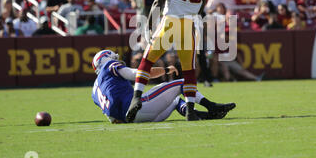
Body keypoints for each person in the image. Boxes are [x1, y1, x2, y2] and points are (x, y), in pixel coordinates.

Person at [127, 0, 212, 122]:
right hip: (189, 23)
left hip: (170, 21)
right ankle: (190, 110)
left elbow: (158, 0)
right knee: (189, 69)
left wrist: (148, 25)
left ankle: (136, 98)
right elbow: (201, 5)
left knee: (147, 60)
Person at [91, 49, 235, 123]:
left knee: (175, 101)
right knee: (183, 83)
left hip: (128, 119)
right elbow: (137, 74)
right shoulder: (109, 66)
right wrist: (165, 70)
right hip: (138, 109)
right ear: (106, 59)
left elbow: (110, 116)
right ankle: (211, 106)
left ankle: (201, 115)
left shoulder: (94, 90)